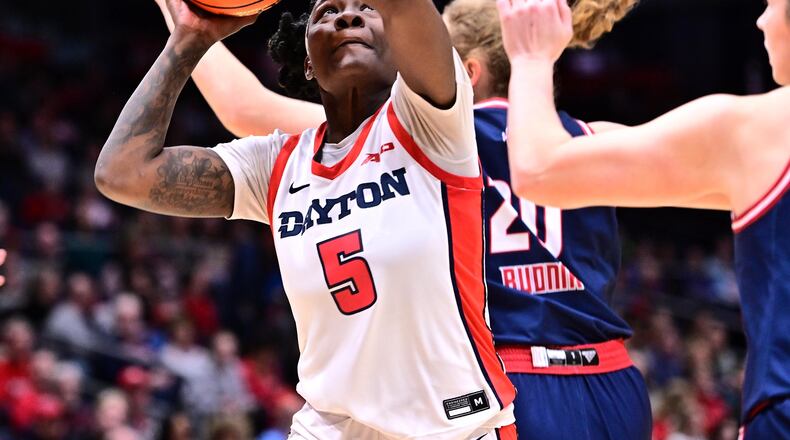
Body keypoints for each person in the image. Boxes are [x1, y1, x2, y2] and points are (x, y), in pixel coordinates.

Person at [150, 0, 651, 438]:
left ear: (466, 72)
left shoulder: (411, 137)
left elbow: (245, 108)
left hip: (514, 384)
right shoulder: (589, 138)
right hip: (612, 380)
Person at [94, 0, 517, 438]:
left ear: (400, 46)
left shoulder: (432, 126)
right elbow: (122, 173)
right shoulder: (276, 164)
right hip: (329, 426)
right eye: (327, 11)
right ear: (309, 62)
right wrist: (189, 39)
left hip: (454, 425)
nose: (347, 17)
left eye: (365, 9)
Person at [496, 0, 790, 437]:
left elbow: (540, 170)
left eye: (771, 3)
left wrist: (531, 57)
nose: (761, 19)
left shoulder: (760, 129)